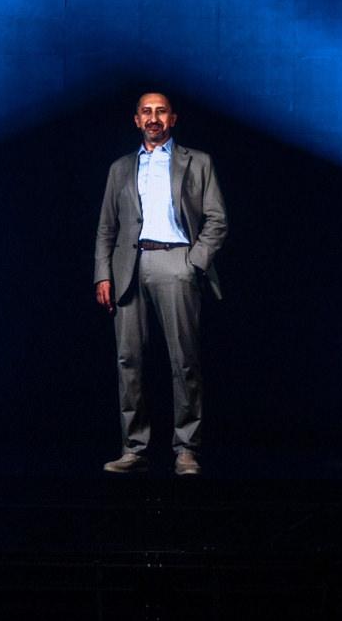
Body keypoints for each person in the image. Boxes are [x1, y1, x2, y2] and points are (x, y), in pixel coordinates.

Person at [94, 92, 227, 475]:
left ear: (173, 118)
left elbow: (217, 219)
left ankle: (186, 450)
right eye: (146, 112)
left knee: (184, 360)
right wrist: (103, 273)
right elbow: (106, 227)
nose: (154, 118)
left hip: (176, 261)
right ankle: (134, 448)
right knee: (128, 360)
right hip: (129, 266)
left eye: (161, 111)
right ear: (137, 119)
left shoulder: (198, 162)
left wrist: (192, 263)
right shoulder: (120, 168)